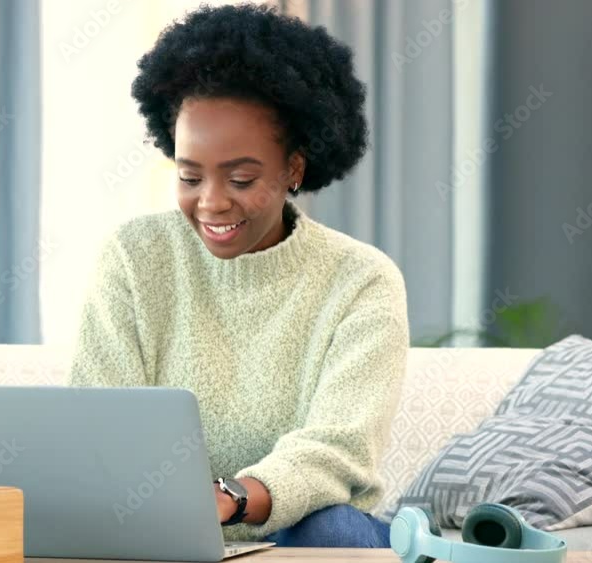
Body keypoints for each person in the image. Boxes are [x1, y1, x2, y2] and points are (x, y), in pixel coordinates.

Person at [68, 3, 408, 548]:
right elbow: (95, 421)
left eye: (242, 178)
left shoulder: (361, 281)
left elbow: (338, 450)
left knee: (334, 526)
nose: (211, 203)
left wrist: (233, 498)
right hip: (157, 532)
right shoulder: (136, 257)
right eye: (189, 175)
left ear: (294, 168)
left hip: (301, 534)